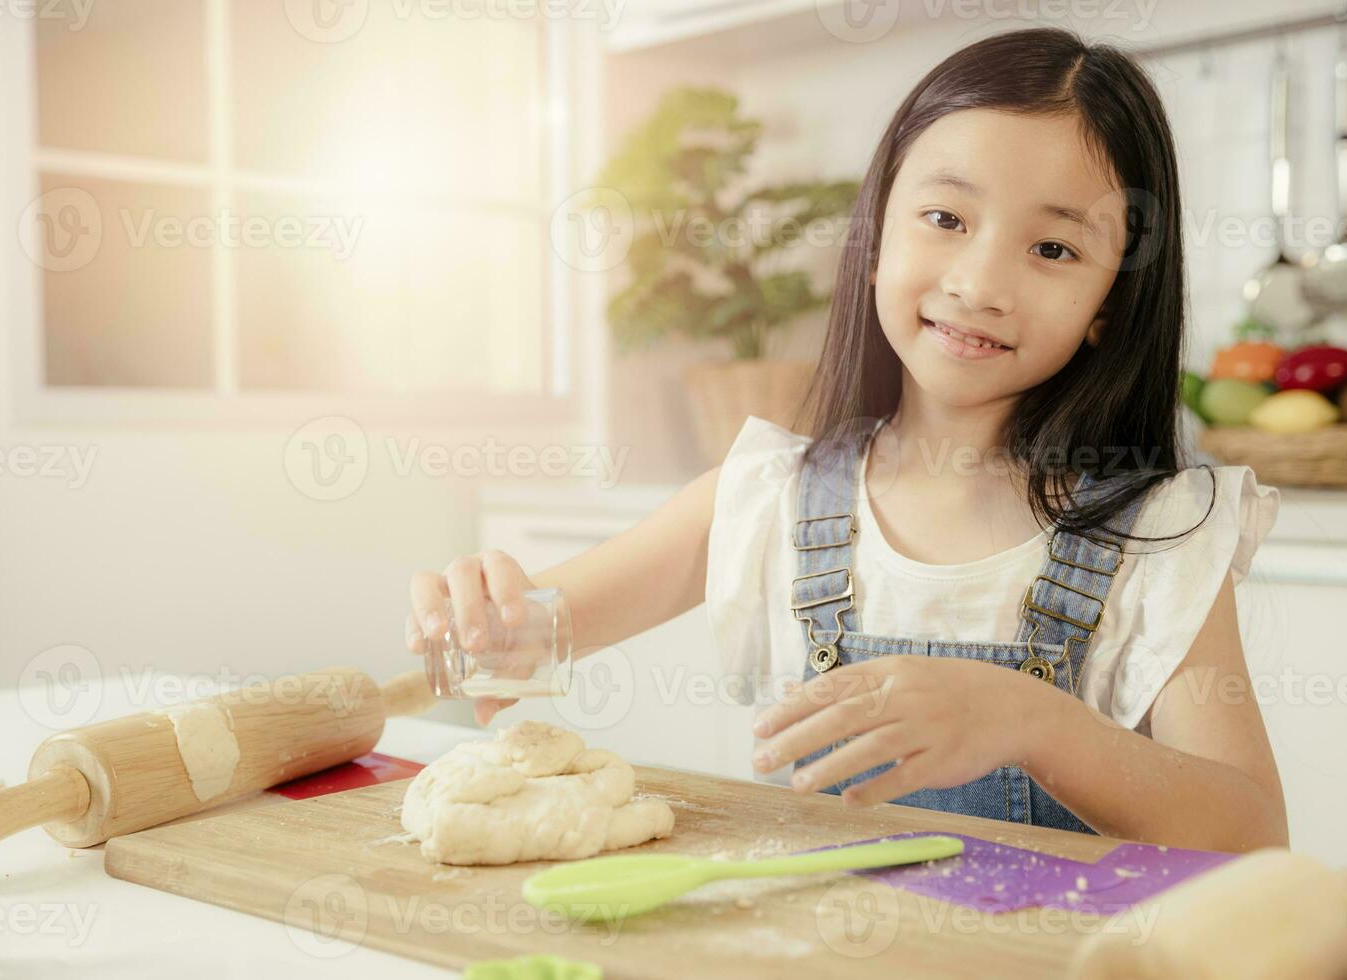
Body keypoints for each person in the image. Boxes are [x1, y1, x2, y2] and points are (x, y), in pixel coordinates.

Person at [407, 27, 1287, 852]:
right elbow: (517, 639)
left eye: (1053, 249)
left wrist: (1038, 722)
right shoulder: (767, 495)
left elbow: (1252, 835)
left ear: (1110, 306)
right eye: (946, 220)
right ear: (873, 241)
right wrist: (485, 612)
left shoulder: (1159, 533)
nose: (980, 283)